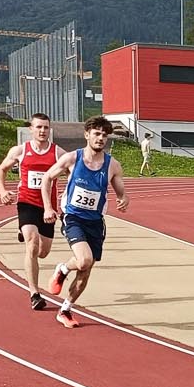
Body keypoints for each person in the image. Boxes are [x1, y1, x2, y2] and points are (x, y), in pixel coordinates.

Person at [42, 115, 130, 328]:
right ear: (87, 135)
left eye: (104, 135)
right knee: (83, 260)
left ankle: (65, 309)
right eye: (97, 134)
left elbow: (121, 193)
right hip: (73, 218)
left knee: (86, 270)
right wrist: (48, 207)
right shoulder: (73, 158)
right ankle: (62, 268)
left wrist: (123, 200)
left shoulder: (112, 165)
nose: (100, 138)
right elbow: (47, 178)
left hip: (96, 222)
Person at [0, 113, 66, 309]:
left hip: (48, 207)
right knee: (32, 245)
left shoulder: (57, 152)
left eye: (46, 127)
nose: (42, 131)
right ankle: (34, 293)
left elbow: (72, 169)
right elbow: (1, 170)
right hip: (26, 202)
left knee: (43, 252)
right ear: (31, 129)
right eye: (39, 127)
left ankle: (26, 232)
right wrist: (2, 191)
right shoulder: (20, 150)